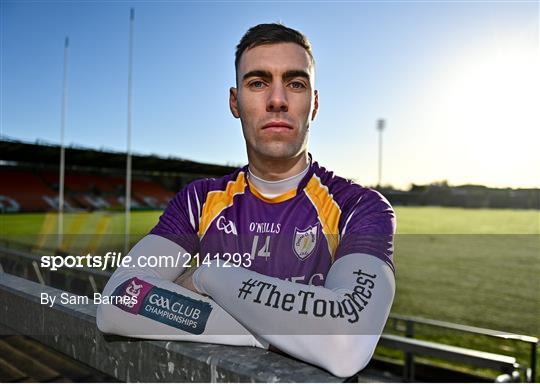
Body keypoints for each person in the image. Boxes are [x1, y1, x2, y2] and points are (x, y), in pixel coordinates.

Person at [97, 23, 396, 378]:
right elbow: (119, 301)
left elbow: (347, 343)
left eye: (296, 83)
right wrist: (276, 334)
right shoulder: (199, 199)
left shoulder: (359, 206)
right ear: (234, 102)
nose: (277, 99)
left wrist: (211, 277)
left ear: (313, 104)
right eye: (257, 83)